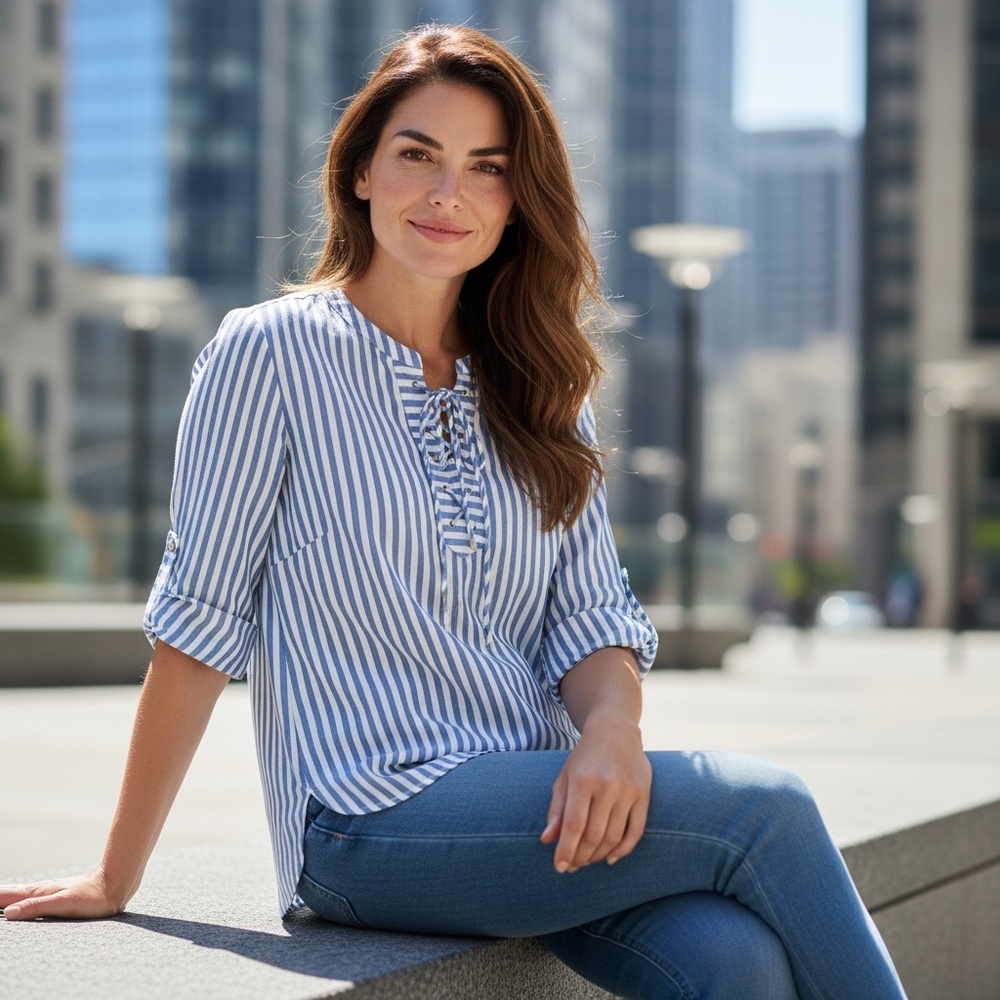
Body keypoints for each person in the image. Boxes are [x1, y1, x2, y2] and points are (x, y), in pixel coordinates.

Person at [1, 24, 907, 1000]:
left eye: (487, 168)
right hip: (361, 818)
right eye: (417, 155)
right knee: (763, 807)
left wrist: (610, 730)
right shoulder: (268, 352)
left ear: (519, 202)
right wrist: (116, 874)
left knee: (735, 961)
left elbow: (590, 612)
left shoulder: (541, 380)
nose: (448, 196)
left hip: (537, 799)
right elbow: (199, 621)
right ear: (359, 172)